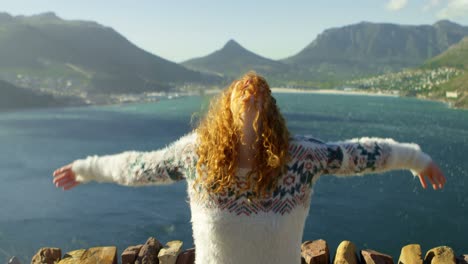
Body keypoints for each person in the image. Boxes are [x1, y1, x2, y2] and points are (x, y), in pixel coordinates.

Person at [53, 72, 446, 264]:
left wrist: (416, 159)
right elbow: (137, 167)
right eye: (242, 95)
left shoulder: (300, 159)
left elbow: (361, 153)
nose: (249, 100)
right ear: (224, 110)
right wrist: (87, 168)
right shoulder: (197, 157)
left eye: (258, 97)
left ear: (270, 110)